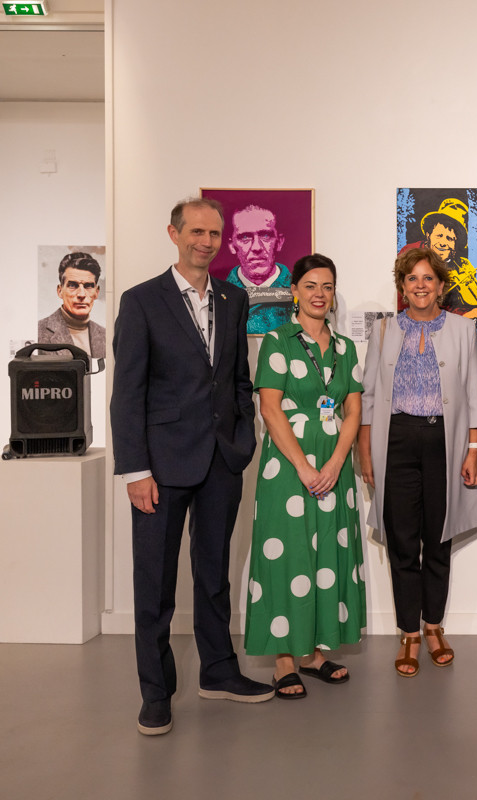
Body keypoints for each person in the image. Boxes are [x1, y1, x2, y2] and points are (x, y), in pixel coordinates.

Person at [111, 197, 272, 736]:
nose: (206, 241)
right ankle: (156, 694)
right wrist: (134, 470)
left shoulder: (233, 298)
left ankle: (219, 672)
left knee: (213, 576)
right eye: (196, 232)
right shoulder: (141, 302)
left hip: (220, 462)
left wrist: (242, 439)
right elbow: (126, 393)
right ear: (174, 234)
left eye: (214, 234)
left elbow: (236, 379)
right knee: (154, 586)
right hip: (159, 468)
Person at [358, 247, 477, 677]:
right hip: (396, 442)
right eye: (411, 278)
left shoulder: (463, 329)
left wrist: (472, 450)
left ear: (441, 285)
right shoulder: (383, 331)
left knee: (438, 537)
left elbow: (472, 394)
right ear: (401, 286)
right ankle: (408, 633)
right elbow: (370, 395)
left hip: (443, 441)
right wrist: (366, 450)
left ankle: (434, 626)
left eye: (428, 278)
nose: (419, 285)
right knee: (401, 541)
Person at [243, 253, 366, 698]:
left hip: (335, 467)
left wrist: (334, 463)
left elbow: (353, 409)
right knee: (288, 556)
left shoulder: (345, 347)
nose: (319, 294)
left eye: (327, 286)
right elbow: (270, 408)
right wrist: (305, 466)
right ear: (295, 290)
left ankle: (314, 653)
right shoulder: (277, 340)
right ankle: (282, 661)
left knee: (326, 559)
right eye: (311, 285)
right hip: (288, 469)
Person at [400, 198, 477, 320]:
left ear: (455, 244)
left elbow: (451, 307)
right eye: (439, 236)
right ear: (428, 235)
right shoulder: (410, 252)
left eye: (450, 239)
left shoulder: (457, 264)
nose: (443, 243)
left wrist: (473, 312)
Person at [223, 204, 295, 334]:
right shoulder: (219, 294)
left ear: (279, 242)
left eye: (265, 236)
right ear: (232, 245)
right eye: (245, 237)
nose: (257, 247)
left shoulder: (298, 291)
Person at [38, 251, 106, 358]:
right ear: (60, 291)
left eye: (88, 286)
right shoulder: (39, 332)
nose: (81, 294)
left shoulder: (106, 335)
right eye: (73, 285)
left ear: (96, 292)